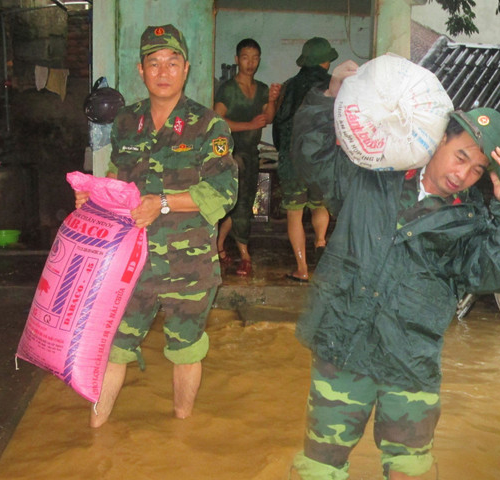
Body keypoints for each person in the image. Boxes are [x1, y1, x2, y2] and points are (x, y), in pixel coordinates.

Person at [289, 61, 500, 479]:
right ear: (439, 140)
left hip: (410, 363)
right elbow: (311, 154)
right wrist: (329, 94)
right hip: (343, 344)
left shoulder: (471, 225)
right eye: (461, 156)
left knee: (409, 470)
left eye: (478, 171)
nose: (463, 174)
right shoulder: (372, 175)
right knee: (318, 467)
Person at [74, 24, 238, 428]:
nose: (163, 71)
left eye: (172, 62)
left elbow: (223, 192)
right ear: (141, 70)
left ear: (185, 69)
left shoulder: (208, 126)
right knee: (113, 346)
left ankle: (182, 434)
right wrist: (93, 197)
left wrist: (161, 203)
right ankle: (94, 432)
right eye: (154, 63)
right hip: (130, 264)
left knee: (186, 350)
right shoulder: (127, 122)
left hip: (189, 265)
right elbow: (117, 179)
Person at [272, 37, 337, 282]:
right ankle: (320, 241)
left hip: (291, 159)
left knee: (295, 214)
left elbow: (279, 123)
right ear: (326, 61)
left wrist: (283, 152)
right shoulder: (332, 85)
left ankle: (302, 268)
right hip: (319, 161)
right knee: (319, 204)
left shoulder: (289, 85)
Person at [213, 39, 281, 276]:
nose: (250, 63)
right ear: (236, 59)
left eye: (254, 58)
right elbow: (217, 122)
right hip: (232, 156)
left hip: (252, 154)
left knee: (243, 203)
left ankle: (219, 245)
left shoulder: (261, 88)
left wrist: (272, 100)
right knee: (241, 205)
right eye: (245, 57)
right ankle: (245, 256)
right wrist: (247, 125)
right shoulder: (228, 89)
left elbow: (268, 118)